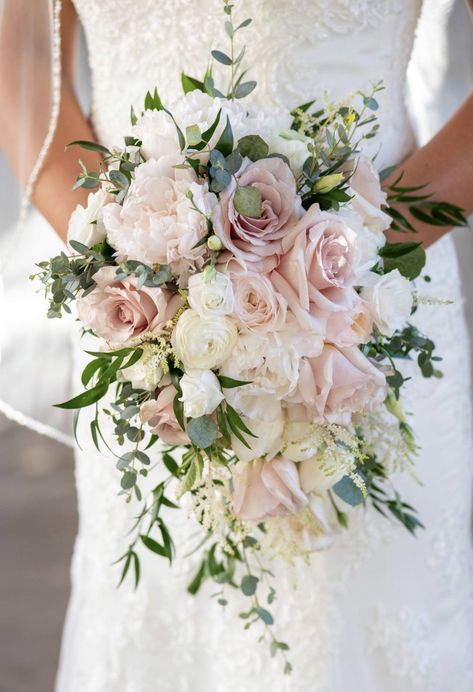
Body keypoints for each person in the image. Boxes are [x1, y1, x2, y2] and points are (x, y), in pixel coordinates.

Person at [1, 1, 473, 690]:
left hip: (367, 304)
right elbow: (23, 62)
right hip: (144, 322)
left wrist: (329, 267)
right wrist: (141, 271)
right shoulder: (144, 299)